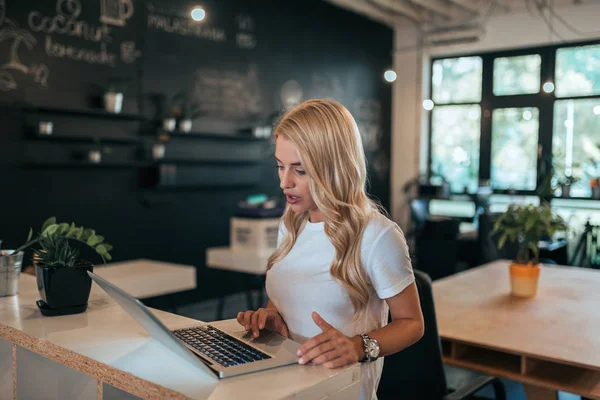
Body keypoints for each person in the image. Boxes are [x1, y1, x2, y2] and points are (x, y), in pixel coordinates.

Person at [237, 99, 424, 400]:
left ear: (333, 168)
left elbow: (412, 324)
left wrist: (358, 346)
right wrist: (274, 318)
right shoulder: (290, 226)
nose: (285, 183)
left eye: (300, 170)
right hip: (286, 387)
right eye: (280, 166)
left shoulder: (376, 235)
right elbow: (287, 296)